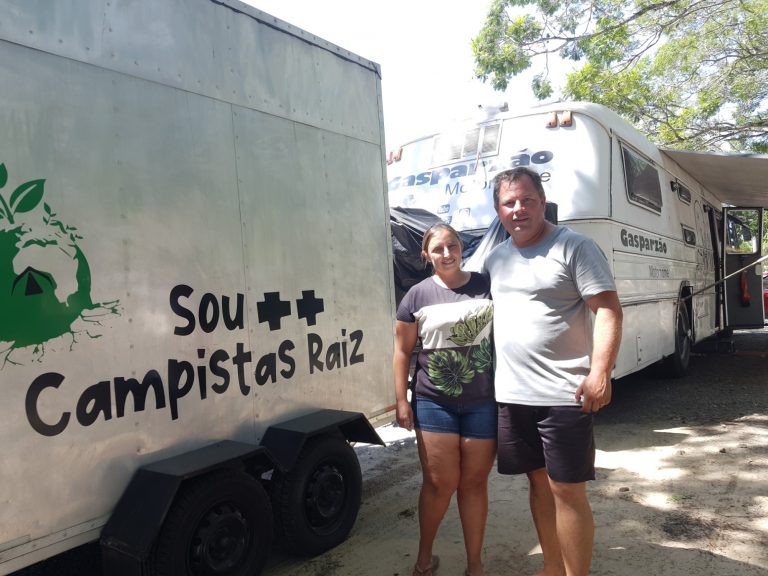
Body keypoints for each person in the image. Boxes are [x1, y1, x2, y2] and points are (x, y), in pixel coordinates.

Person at [483, 167, 623, 576]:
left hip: (564, 393)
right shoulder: (496, 258)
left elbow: (609, 310)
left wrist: (600, 372)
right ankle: (551, 567)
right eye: (509, 202)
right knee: (537, 483)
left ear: (542, 202)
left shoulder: (574, 247)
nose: (518, 209)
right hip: (513, 394)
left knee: (566, 490)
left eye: (527, 199)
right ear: (498, 210)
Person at [393, 223, 496, 576]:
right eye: (438, 249)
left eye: (452, 246)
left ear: (461, 247)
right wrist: (401, 400)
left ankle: (474, 565)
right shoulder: (416, 296)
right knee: (439, 484)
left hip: (483, 401)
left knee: (474, 485)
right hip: (434, 402)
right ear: (426, 255)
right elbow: (401, 351)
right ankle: (424, 560)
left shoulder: (485, 285)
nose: (447, 253)